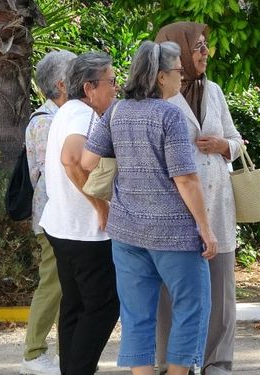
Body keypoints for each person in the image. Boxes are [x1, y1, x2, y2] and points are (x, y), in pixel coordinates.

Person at [81, 41, 217, 375]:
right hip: (174, 233)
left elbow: (86, 160)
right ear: (159, 77)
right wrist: (205, 228)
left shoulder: (117, 111)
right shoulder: (169, 115)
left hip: (127, 231)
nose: (182, 78)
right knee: (192, 306)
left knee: (136, 314)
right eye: (177, 72)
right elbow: (185, 179)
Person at [155, 22, 243, 375]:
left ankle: (217, 362)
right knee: (171, 293)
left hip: (217, 202)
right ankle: (171, 363)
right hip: (175, 206)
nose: (205, 53)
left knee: (220, 293)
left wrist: (225, 146)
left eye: (206, 46)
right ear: (176, 51)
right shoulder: (157, 95)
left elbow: (237, 140)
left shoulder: (215, 91)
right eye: (198, 47)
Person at [38, 52, 120, 375]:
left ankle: (73, 369)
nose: (115, 88)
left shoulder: (67, 111)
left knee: (74, 305)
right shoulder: (82, 116)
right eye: (110, 82)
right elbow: (71, 158)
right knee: (103, 305)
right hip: (84, 232)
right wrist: (100, 205)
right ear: (89, 88)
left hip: (64, 227)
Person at [20, 50, 77, 375]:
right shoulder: (46, 121)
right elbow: (51, 172)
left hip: (63, 217)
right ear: (61, 83)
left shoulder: (65, 116)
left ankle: (56, 352)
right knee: (52, 283)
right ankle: (33, 352)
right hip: (53, 217)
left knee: (65, 284)